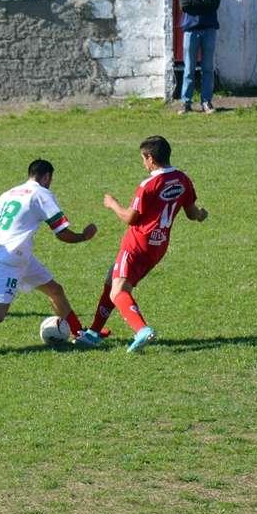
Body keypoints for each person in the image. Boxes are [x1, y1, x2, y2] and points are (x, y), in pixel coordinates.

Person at [0, 159, 97, 358]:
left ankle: (79, 334)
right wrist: (83, 236)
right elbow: (61, 233)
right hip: (8, 263)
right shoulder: (42, 194)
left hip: (18, 258)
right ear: (47, 177)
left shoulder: (11, 193)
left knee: (55, 290)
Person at [77, 136, 208, 352]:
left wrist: (112, 204)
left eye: (143, 158)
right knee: (112, 279)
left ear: (150, 158)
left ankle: (142, 330)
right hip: (158, 246)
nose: (143, 163)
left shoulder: (148, 185)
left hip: (137, 244)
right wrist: (202, 214)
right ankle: (93, 332)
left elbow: (130, 218)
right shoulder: (182, 179)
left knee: (118, 291)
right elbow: (192, 213)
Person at [178, 0, 222, 115]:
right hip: (191, 30)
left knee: (208, 68)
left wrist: (196, 3)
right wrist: (204, 3)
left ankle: (206, 102)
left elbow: (214, 5)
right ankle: (186, 103)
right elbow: (185, 6)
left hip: (209, 29)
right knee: (189, 68)